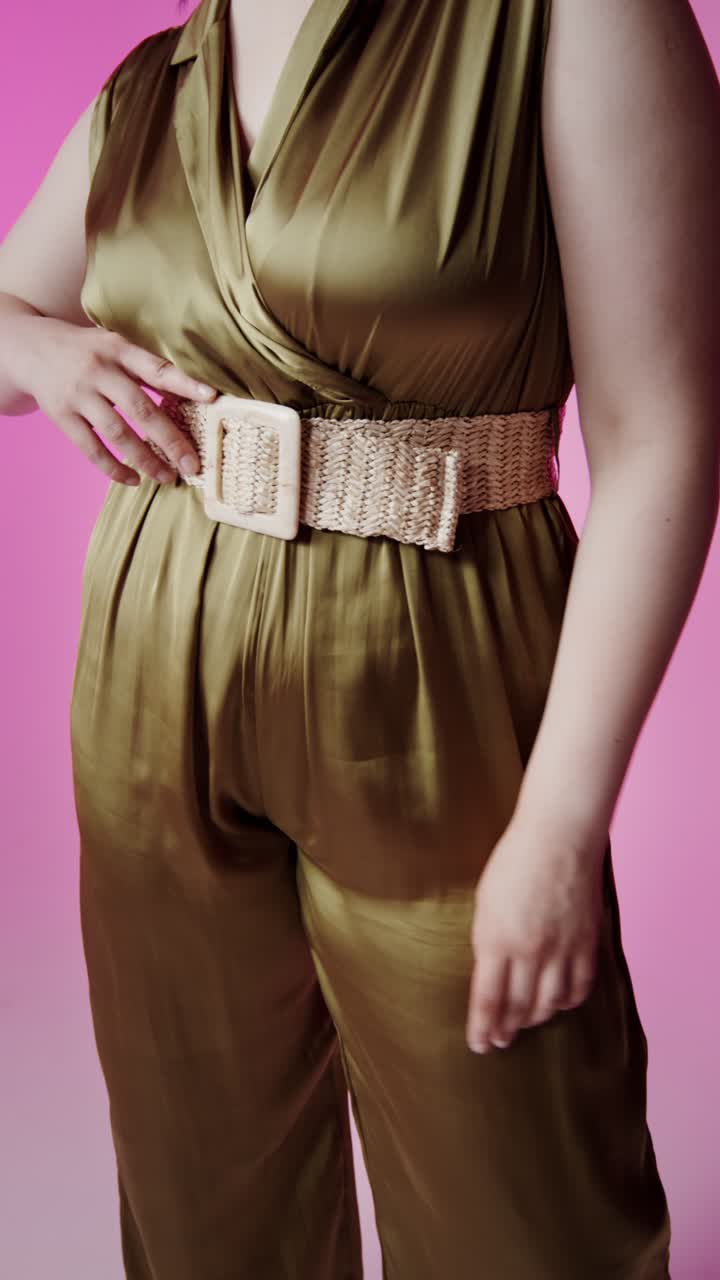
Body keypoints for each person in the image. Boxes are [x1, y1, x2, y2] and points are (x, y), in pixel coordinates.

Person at [1, 0, 718, 1275]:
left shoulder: (573, 22)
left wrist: (559, 823)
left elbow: (662, 431)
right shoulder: (148, 85)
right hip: (150, 654)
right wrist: (43, 350)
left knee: (529, 1211)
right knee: (202, 1203)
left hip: (438, 663)